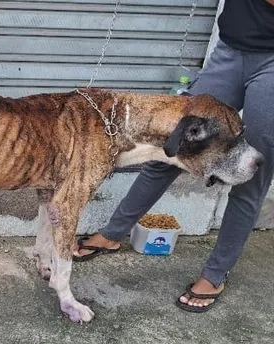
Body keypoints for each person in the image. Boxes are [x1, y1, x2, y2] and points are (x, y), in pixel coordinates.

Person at [74, 0, 274, 312]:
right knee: (169, 151)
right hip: (231, 47)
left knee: (250, 177)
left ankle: (215, 275)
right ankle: (113, 234)